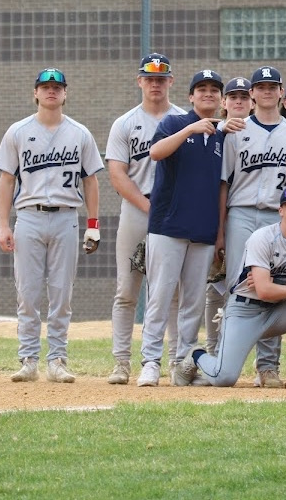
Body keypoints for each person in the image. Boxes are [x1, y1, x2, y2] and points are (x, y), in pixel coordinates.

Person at [137, 69, 245, 387]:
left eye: (214, 90)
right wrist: (191, 129)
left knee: (193, 302)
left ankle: (182, 363)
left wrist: (220, 233)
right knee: (159, 297)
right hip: (167, 226)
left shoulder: (223, 135)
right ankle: (150, 362)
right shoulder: (174, 122)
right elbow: (155, 153)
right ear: (191, 97)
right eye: (202, 89)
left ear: (221, 99)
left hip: (203, 230)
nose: (208, 94)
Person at [0, 68, 104, 383]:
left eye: (57, 87)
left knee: (61, 293)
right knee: (27, 292)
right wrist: (4, 225)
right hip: (28, 216)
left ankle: (57, 359)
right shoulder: (17, 131)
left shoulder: (80, 133)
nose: (51, 91)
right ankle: (29, 359)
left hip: (65, 217)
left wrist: (93, 223)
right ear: (35, 93)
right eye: (45, 87)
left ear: (65, 93)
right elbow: (6, 180)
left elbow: (92, 181)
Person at [180, 186, 286, 389]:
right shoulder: (262, 237)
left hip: (277, 311)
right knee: (224, 378)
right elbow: (265, 291)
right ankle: (196, 355)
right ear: (280, 210)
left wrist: (278, 285)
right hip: (245, 311)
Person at [217, 66, 286, 389]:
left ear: (281, 93)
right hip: (241, 213)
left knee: (274, 290)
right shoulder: (235, 132)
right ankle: (223, 359)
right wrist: (220, 231)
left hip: (276, 216)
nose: (267, 91)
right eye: (261, 87)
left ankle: (267, 367)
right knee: (237, 289)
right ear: (252, 94)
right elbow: (223, 184)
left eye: (273, 87)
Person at [105, 54, 186, 385]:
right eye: (149, 78)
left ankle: (175, 360)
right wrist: (145, 205)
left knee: (170, 291)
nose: (155, 83)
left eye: (161, 78)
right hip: (137, 210)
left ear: (171, 81)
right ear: (139, 81)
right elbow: (117, 173)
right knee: (127, 290)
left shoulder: (184, 118)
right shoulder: (125, 123)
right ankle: (121, 362)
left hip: (173, 213)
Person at [204, 77, 253, 358]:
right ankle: (212, 350)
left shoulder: (261, 133)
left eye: (244, 97)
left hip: (241, 214)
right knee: (216, 286)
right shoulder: (213, 131)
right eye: (232, 97)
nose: (238, 101)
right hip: (212, 215)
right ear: (224, 103)